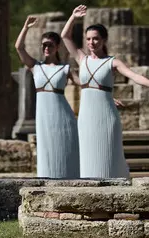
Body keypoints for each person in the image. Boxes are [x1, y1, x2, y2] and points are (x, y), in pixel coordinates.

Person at [61, 5, 149, 178]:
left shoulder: (112, 62)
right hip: (86, 117)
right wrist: (73, 17)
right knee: (88, 157)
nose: (91, 43)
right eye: (88, 39)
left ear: (104, 40)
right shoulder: (81, 59)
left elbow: (134, 76)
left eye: (95, 39)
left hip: (106, 116)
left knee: (109, 156)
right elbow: (65, 36)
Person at [15, 16, 80, 178]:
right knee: (46, 150)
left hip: (63, 115)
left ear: (57, 47)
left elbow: (84, 85)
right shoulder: (36, 66)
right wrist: (25, 27)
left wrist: (107, 96)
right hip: (44, 116)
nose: (46, 48)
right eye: (43, 45)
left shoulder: (66, 68)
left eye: (49, 45)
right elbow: (19, 47)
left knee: (65, 149)